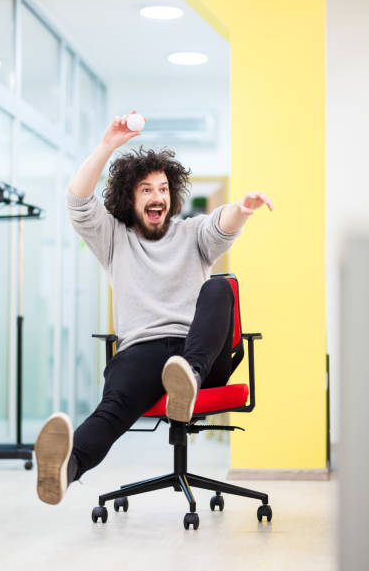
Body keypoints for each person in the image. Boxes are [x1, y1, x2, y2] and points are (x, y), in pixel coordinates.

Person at [35, 110, 273, 506]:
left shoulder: (192, 232)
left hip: (198, 353)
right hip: (142, 353)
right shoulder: (113, 237)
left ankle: (189, 380)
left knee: (219, 289)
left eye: (162, 188)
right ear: (130, 197)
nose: (157, 196)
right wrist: (107, 145)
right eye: (146, 189)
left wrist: (242, 209)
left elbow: (221, 224)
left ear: (172, 195)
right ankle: (64, 472)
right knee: (111, 412)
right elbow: (77, 201)